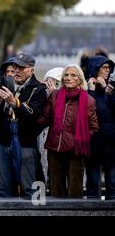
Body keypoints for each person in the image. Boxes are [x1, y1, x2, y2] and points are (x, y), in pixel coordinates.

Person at [0, 52, 47, 197]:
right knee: (1, 189)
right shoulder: (5, 84)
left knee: (29, 189)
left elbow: (34, 115)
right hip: (2, 140)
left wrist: (14, 102)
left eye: (21, 68)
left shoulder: (38, 89)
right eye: (15, 67)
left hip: (25, 142)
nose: (17, 71)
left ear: (31, 70)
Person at [38, 64, 98, 197]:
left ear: (79, 80)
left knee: (75, 192)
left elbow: (94, 128)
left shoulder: (88, 101)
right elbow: (44, 119)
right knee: (56, 191)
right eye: (66, 75)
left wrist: (81, 140)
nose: (68, 78)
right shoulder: (54, 96)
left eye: (73, 75)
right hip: (55, 149)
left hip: (75, 151)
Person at [86, 55, 115, 200]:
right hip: (92, 143)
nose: (108, 71)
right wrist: (90, 91)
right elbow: (85, 112)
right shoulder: (86, 89)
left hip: (111, 143)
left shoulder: (112, 88)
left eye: (109, 68)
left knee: (112, 184)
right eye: (104, 68)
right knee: (92, 185)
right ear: (95, 69)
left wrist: (105, 89)